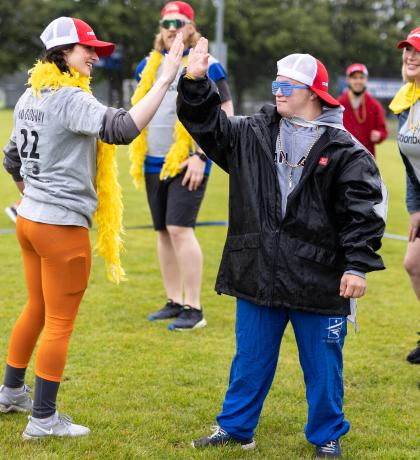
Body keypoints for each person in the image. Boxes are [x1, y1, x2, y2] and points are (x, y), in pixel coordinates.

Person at [177, 39, 386, 457]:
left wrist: (357, 266)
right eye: (275, 82)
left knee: (324, 368)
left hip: (320, 276)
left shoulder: (345, 149)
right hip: (259, 269)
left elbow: (362, 213)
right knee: (249, 360)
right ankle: (236, 429)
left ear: (312, 93)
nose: (277, 91)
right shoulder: (252, 132)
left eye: (286, 85)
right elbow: (207, 125)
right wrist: (197, 81)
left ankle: (327, 434)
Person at [0, 17, 184, 438]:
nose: (95, 56)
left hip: (30, 221)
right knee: (59, 321)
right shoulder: (67, 96)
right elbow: (122, 129)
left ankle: (10, 393)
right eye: (87, 49)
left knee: (37, 309)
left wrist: (31, 192)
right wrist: (165, 79)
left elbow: (12, 158)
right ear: (62, 53)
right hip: (60, 226)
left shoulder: (33, 92)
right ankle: (43, 419)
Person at [130, 1, 234, 331]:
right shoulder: (147, 65)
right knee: (163, 231)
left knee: (180, 228)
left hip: (190, 159)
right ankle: (174, 300)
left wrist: (202, 155)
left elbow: (227, 111)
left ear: (191, 26)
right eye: (166, 23)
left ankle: (195, 307)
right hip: (152, 161)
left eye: (179, 22)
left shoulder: (207, 63)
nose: (172, 28)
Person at [389, 27, 420, 365]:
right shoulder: (405, 101)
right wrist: (414, 207)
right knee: (413, 264)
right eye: (407, 50)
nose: (410, 56)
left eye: (418, 52)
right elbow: (410, 164)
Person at [337, 63, 388, 157]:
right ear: (348, 80)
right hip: (343, 157)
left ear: (366, 79)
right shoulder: (339, 104)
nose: (358, 81)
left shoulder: (375, 105)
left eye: (361, 77)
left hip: (366, 159)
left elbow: (383, 131)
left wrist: (379, 135)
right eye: (354, 77)